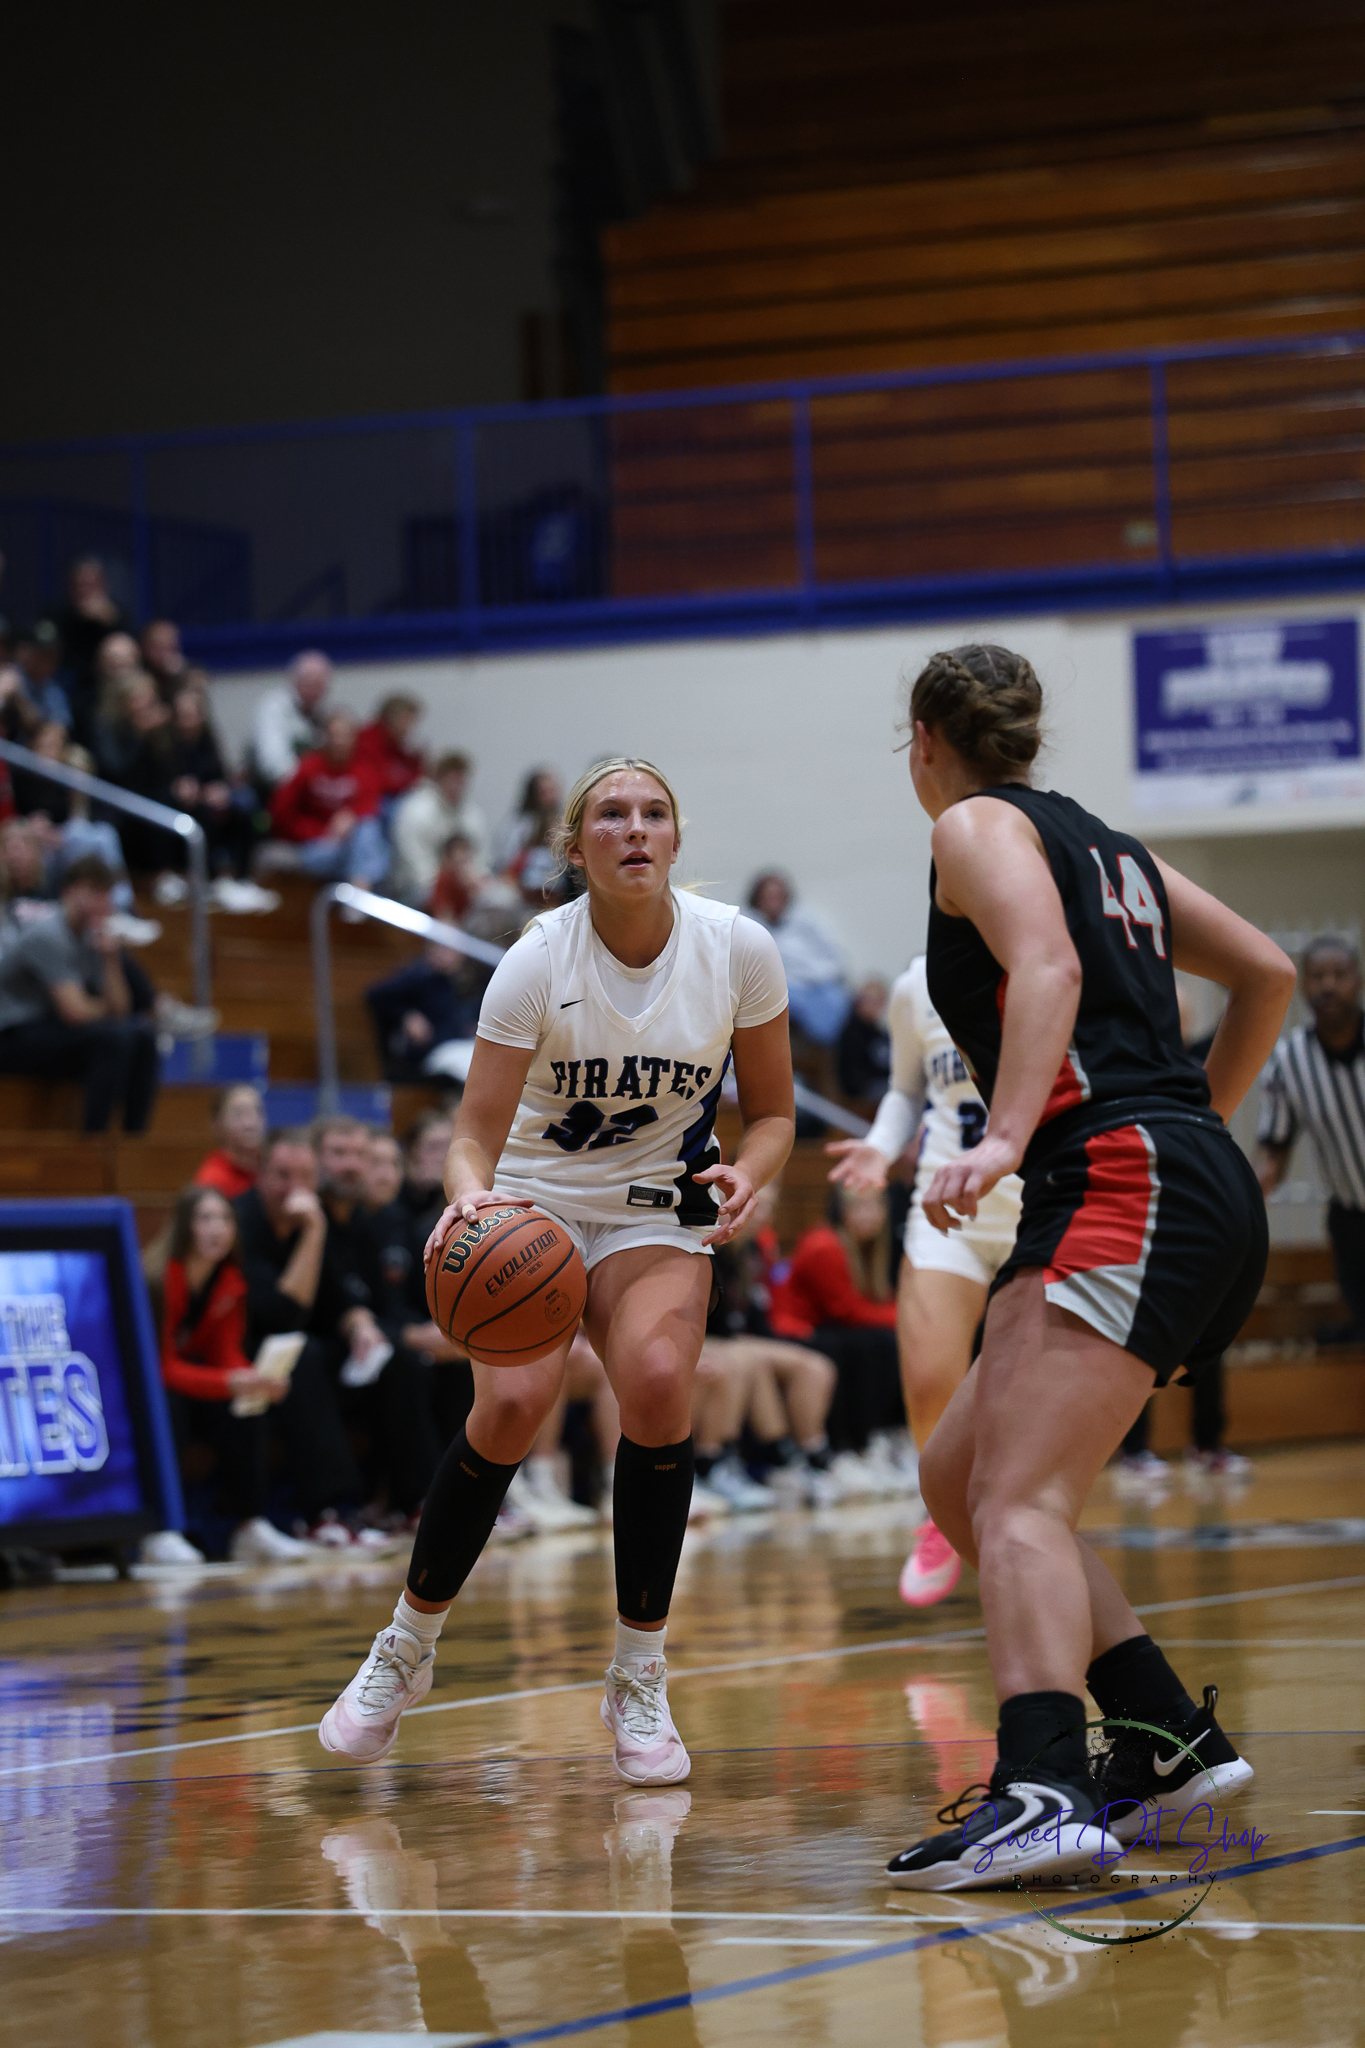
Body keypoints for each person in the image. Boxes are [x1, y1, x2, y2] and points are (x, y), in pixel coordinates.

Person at [882, 643, 1293, 1890]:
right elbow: (1267, 972)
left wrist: (1005, 1135)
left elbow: (1050, 967)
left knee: (1016, 1498)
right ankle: (1165, 1736)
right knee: (960, 1480)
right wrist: (1198, 1126)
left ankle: (1043, 1786)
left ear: (924, 741)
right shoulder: (1111, 848)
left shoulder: (971, 826)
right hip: (1164, 1169)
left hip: (1120, 1172)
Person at [319, 755, 795, 1782]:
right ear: (576, 848)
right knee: (511, 1406)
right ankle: (405, 1646)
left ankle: (638, 1673)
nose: (637, 828)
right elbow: (471, 1135)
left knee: (658, 1384)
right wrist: (467, 1199)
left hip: (653, 1205)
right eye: (612, 815)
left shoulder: (736, 949)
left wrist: (751, 1173)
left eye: (655, 813)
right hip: (532, 1200)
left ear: (675, 838)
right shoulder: (537, 958)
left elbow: (774, 1114)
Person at [828, 954, 1023, 1606]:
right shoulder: (915, 985)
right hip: (946, 1212)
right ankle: (941, 1513)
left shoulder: (1054, 966)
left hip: (1041, 1207)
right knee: (930, 1380)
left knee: (1029, 1400)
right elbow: (906, 1090)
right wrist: (882, 1147)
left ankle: (1025, 1522)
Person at [148, 1185, 314, 1564]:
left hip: (190, 1384)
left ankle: (249, 1526)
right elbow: (161, 1369)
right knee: (167, 1407)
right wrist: (229, 1382)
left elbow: (226, 1354)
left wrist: (259, 1380)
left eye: (225, 1219)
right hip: (149, 1389)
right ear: (184, 1226)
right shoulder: (160, 1279)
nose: (217, 1228)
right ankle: (160, 1530)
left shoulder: (229, 1280)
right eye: (205, 1218)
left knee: (247, 1407)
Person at [1257, 934, 1365, 1342]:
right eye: (1318, 976)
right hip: (1352, 1221)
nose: (1328, 985)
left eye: (1339, 974)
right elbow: (1274, 1150)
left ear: (1358, 981)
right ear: (1303, 985)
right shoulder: (1289, 1061)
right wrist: (1245, 1200)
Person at [0, 854, 159, 1130]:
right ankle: (93, 1139)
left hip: (49, 1030)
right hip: (13, 1035)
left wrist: (110, 958)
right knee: (113, 1039)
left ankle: (133, 1140)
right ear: (70, 891)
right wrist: (103, 1008)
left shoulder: (91, 936)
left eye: (106, 894)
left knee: (144, 1038)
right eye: (94, 891)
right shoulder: (47, 934)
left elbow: (121, 1009)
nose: (101, 902)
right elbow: (76, 1012)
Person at [774, 1185, 914, 1490]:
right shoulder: (823, 1245)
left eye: (874, 1207)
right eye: (860, 1207)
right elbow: (847, 1310)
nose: (868, 1215)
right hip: (795, 1330)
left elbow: (868, 1306)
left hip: (830, 1329)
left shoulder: (871, 1249)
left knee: (887, 1343)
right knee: (871, 1346)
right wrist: (908, 1315)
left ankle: (888, 1437)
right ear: (841, 1211)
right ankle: (855, 1445)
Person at [269, 709, 388, 889]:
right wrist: (319, 832)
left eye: (345, 736)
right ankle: (359, 893)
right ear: (325, 737)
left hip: (352, 844)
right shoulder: (309, 766)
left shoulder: (364, 767)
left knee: (368, 830)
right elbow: (281, 811)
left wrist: (351, 815)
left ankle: (358, 887)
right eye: (334, 735)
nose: (339, 741)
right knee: (372, 857)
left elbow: (371, 803)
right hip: (318, 845)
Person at [747, 871, 849, 1046]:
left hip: (817, 983)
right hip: (781, 989)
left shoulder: (807, 921)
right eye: (769, 897)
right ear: (758, 899)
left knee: (839, 1002)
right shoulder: (747, 924)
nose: (774, 902)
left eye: (778, 897)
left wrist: (817, 976)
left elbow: (834, 956)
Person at [365, 943, 482, 1083]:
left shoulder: (465, 980)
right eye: (442, 949)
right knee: (475, 1068)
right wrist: (406, 1015)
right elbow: (377, 995)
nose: (446, 955)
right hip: (433, 1052)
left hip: (463, 1044)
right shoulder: (419, 975)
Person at [389, 752, 487, 903]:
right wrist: (445, 886)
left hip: (464, 888)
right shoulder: (416, 811)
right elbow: (415, 864)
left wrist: (476, 880)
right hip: (417, 888)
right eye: (452, 779)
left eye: (461, 780)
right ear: (439, 779)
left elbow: (481, 858)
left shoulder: (473, 814)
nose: (457, 786)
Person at [251, 649, 332, 790]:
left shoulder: (321, 713)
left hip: (310, 788)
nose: (315, 692)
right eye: (309, 684)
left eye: (320, 686)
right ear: (295, 682)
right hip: (272, 789)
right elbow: (273, 764)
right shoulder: (273, 708)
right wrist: (312, 783)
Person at [491, 766, 564, 903]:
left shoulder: (564, 822)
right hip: (521, 885)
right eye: (545, 792)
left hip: (556, 888)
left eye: (553, 791)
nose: (551, 797)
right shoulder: (518, 825)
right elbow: (507, 862)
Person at [355, 695, 425, 817]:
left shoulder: (401, 744)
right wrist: (405, 780)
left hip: (393, 797)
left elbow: (415, 778)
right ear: (392, 718)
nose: (410, 727)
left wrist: (416, 760)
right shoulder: (368, 740)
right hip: (371, 799)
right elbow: (379, 780)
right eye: (407, 720)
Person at [195, 1084, 267, 1198]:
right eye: (239, 1114)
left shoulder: (275, 1169)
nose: (251, 1123)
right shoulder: (211, 1181)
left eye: (258, 1111)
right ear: (217, 1124)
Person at [835, 976, 892, 1102]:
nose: (878, 1007)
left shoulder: (880, 1032)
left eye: (881, 1001)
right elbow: (853, 1076)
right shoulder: (852, 1033)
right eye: (873, 1001)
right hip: (861, 1092)